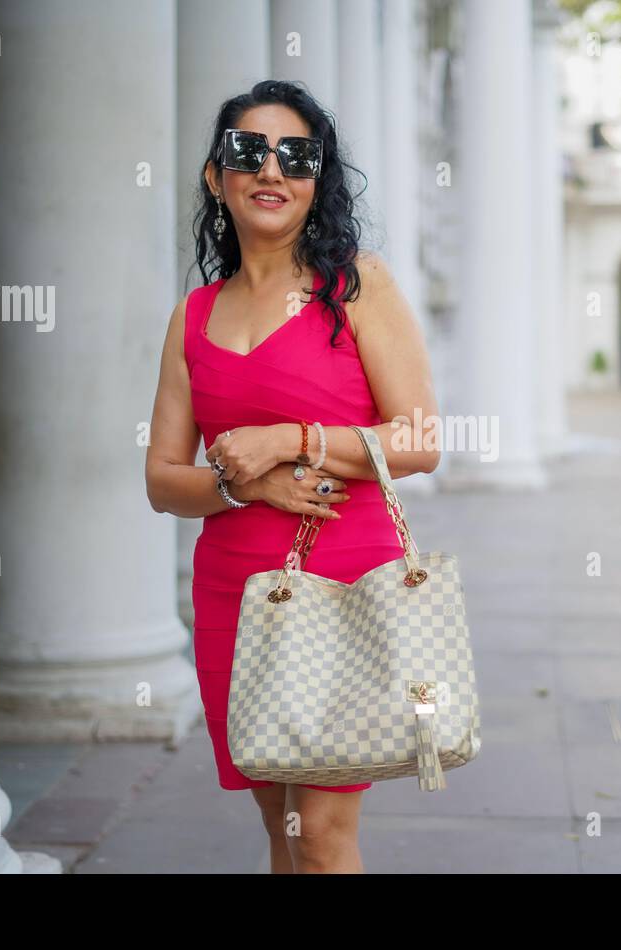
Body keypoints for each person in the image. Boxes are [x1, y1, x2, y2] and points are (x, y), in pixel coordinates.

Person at [144, 80, 441, 874]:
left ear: (317, 181)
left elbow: (417, 441)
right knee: (285, 836)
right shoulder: (194, 315)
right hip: (236, 597)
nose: (272, 170)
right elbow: (163, 480)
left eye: (297, 156)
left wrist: (289, 440)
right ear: (217, 176)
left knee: (324, 839)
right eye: (250, 151)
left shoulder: (357, 286)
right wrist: (240, 484)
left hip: (345, 584)